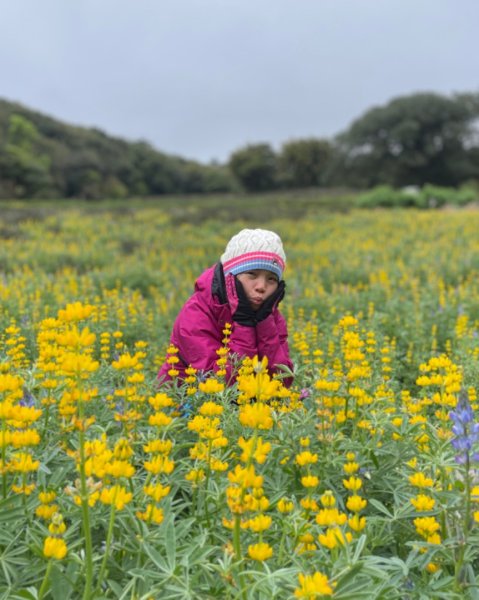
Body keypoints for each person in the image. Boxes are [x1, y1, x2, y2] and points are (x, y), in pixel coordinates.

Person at [157, 228, 293, 387]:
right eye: (252, 274)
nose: (261, 286)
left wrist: (264, 324)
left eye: (271, 279)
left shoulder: (270, 315)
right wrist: (244, 324)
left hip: (248, 405)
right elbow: (218, 385)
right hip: (183, 404)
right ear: (231, 277)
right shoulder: (197, 313)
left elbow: (282, 381)